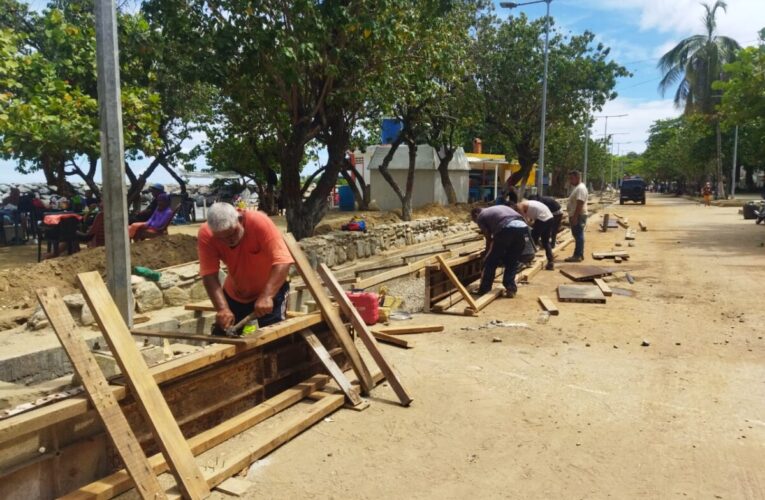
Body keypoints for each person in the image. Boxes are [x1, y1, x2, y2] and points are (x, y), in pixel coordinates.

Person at [198, 202, 294, 335]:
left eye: (233, 233)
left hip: (271, 290)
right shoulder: (206, 234)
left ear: (240, 219)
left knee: (274, 339)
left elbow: (283, 261)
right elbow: (209, 274)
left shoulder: (259, 222)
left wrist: (267, 296)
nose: (229, 241)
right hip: (236, 294)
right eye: (222, 238)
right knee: (223, 337)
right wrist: (222, 309)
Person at [471, 205, 528, 298]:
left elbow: (488, 238)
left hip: (506, 228)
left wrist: (487, 253)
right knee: (512, 261)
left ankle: (484, 289)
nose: (476, 222)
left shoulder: (481, 216)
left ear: (476, 214)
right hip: (523, 227)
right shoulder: (497, 209)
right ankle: (510, 289)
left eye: (475, 220)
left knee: (491, 261)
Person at [514, 199, 555, 270]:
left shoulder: (519, 206)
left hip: (542, 219)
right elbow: (530, 220)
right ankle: (550, 261)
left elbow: (524, 220)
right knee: (546, 241)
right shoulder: (527, 204)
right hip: (549, 217)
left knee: (531, 240)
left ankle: (527, 260)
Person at [564, 170, 588, 263]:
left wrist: (575, 217)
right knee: (577, 235)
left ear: (578, 177)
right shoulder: (578, 188)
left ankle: (577, 255)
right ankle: (579, 254)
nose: (570, 180)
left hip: (578, 215)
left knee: (578, 235)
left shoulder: (580, 188)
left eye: (571, 178)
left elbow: (580, 203)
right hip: (577, 214)